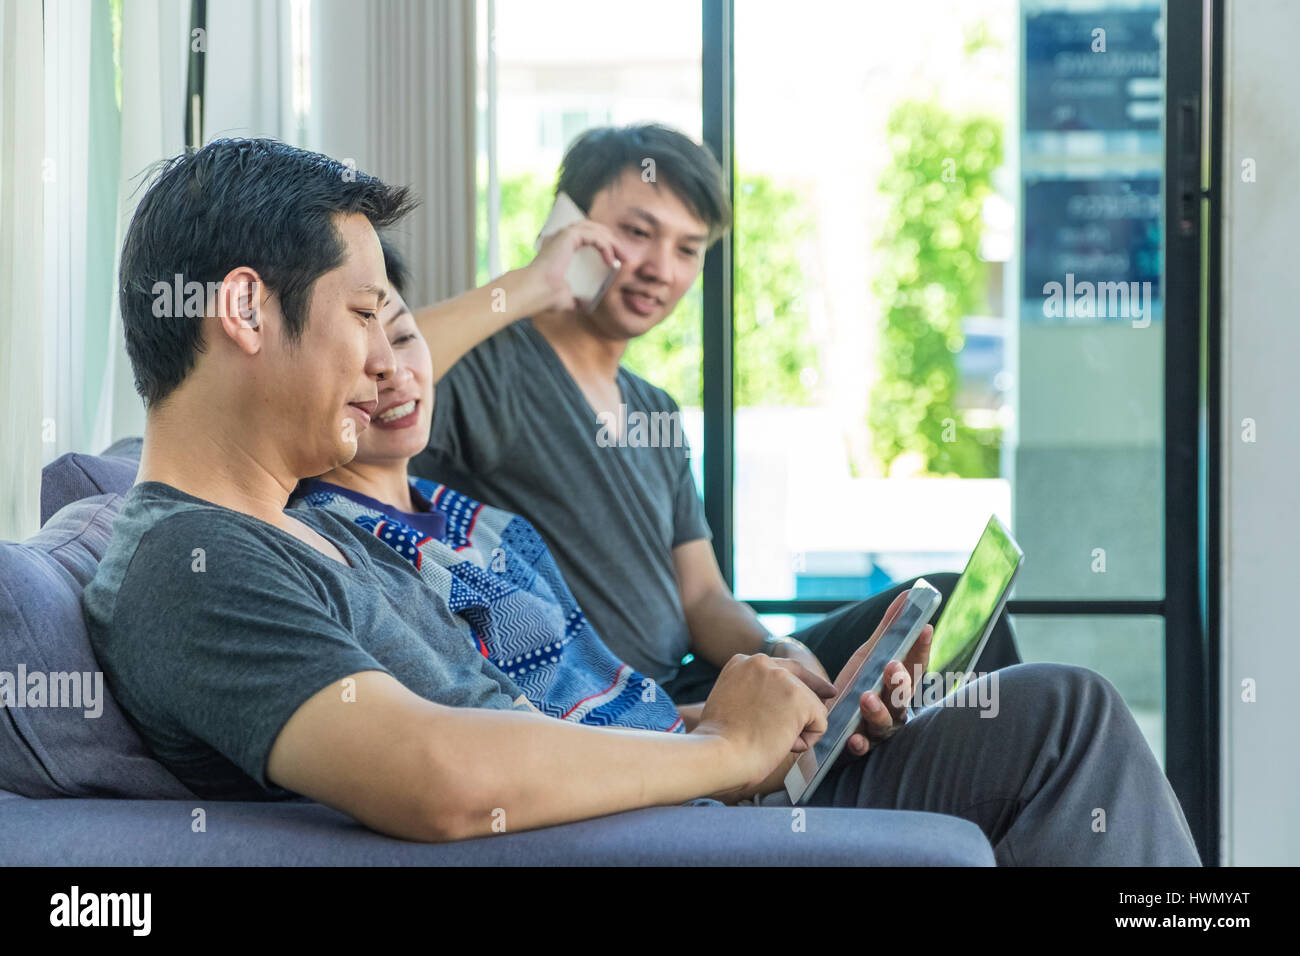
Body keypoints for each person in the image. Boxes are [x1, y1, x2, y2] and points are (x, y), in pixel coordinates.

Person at [84, 137, 1201, 864]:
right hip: (649, 828)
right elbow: (441, 775)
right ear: (245, 311)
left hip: (660, 783)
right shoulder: (194, 562)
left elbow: (518, 707)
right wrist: (728, 751)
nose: (391, 364)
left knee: (1042, 706)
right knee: (1066, 719)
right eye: (366, 315)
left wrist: (734, 716)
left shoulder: (308, 537)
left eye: (395, 324)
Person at [405, 122, 1021, 708]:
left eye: (688, 248)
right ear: (569, 225)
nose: (661, 269)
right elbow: (380, 373)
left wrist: (778, 653)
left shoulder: (654, 409)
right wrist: (532, 282)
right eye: (638, 232)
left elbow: (702, 596)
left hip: (691, 684)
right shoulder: (484, 369)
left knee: (947, 605)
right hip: (602, 707)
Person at [289, 237, 683, 732]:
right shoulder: (335, 547)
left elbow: (598, 695)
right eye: (358, 352)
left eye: (405, 336)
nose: (394, 371)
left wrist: (720, 727)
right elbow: (514, 737)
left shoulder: (497, 529)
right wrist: (722, 746)